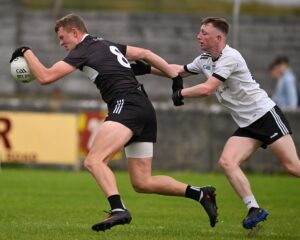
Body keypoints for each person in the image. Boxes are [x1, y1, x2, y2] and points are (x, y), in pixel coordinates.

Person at [9, 14, 218, 231]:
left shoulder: (83, 50)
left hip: (126, 105)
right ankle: (201, 194)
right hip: (144, 108)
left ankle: (118, 209)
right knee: (142, 182)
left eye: (62, 38)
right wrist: (174, 76)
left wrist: (25, 51)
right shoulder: (106, 45)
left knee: (94, 161)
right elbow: (145, 55)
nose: (61, 43)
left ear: (75, 32)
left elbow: (45, 77)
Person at [131, 17, 300, 230]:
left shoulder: (231, 57)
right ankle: (253, 208)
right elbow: (178, 70)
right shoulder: (205, 59)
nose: (198, 36)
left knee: (292, 166)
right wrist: (147, 69)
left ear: (218, 37)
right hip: (248, 125)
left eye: (204, 33)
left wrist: (180, 93)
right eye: (200, 32)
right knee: (227, 162)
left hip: (266, 116)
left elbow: (207, 89)